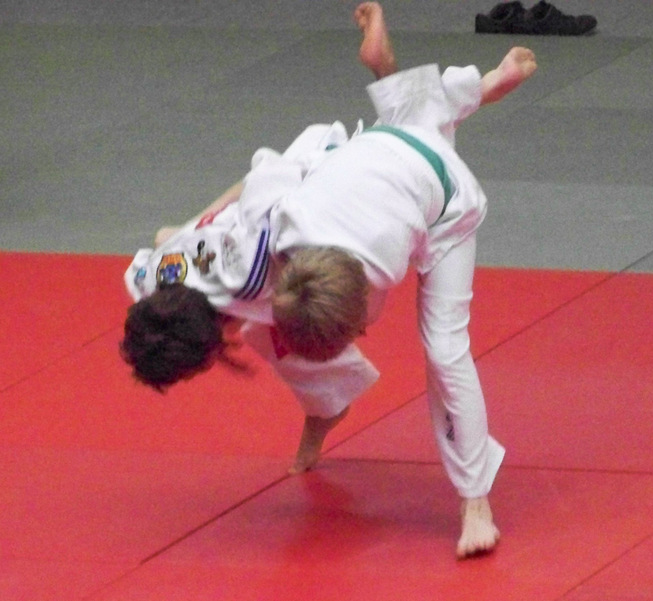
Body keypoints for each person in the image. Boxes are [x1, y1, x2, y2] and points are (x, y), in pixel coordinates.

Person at [122, 2, 536, 559]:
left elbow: (346, 303)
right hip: (359, 158)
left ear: (217, 338)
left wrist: (192, 228)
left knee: (444, 348)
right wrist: (187, 226)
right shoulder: (158, 272)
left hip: (444, 204)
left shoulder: (352, 272)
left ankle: (475, 501)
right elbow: (253, 186)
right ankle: (451, 88)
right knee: (405, 140)